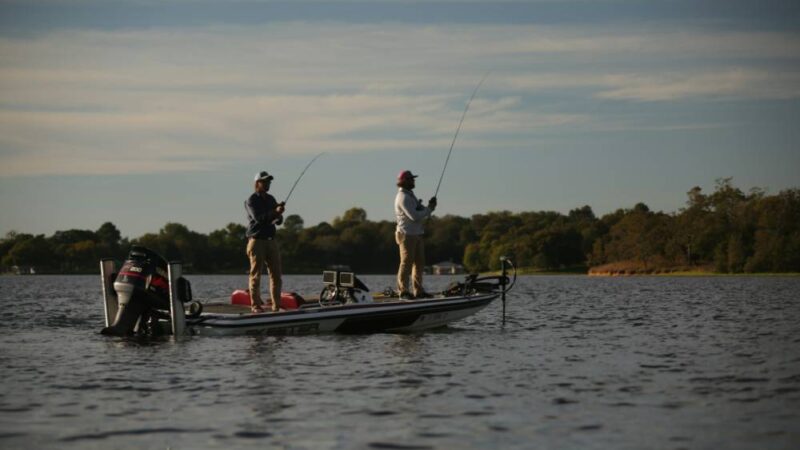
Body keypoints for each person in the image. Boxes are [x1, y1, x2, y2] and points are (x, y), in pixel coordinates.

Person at [245, 171, 286, 313]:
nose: (268, 184)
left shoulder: (271, 199)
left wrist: (279, 214)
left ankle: (277, 306)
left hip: (271, 241)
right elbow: (260, 218)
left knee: (276, 275)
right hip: (256, 241)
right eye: (265, 182)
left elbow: (278, 221)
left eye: (269, 182)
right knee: (255, 275)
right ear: (257, 184)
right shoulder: (251, 200)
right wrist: (275, 212)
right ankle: (255, 306)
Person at [394, 170, 437, 299]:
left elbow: (421, 209)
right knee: (406, 263)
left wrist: (430, 206)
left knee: (419, 263)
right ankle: (403, 291)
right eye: (411, 179)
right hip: (406, 235)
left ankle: (418, 291)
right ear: (404, 181)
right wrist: (428, 210)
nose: (414, 181)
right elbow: (414, 216)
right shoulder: (403, 197)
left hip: (416, 234)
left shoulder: (410, 195)